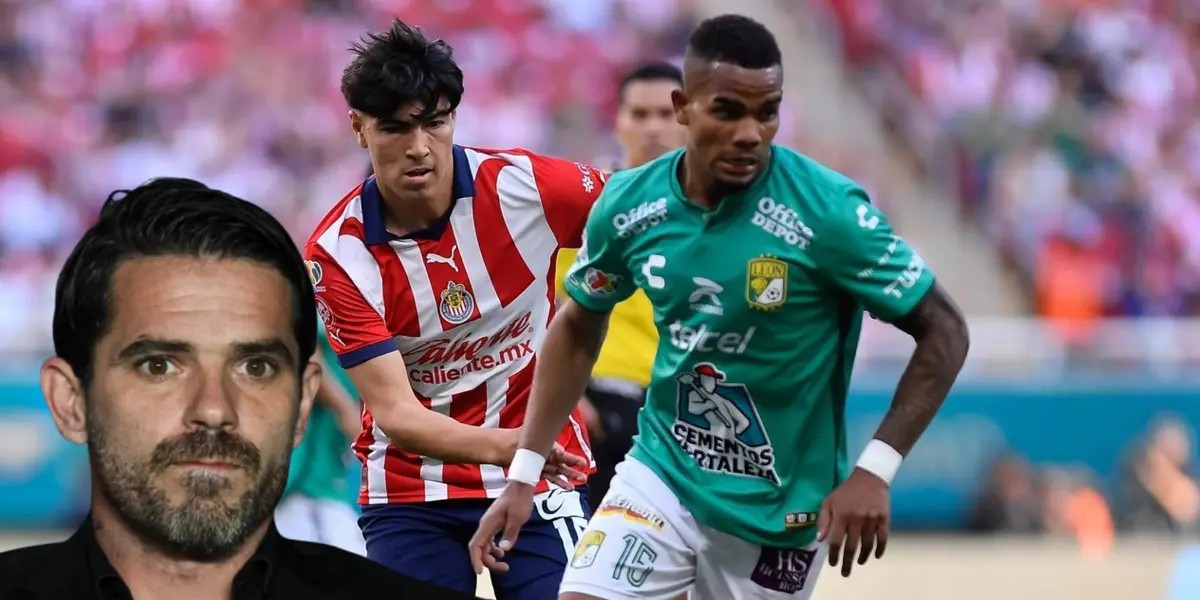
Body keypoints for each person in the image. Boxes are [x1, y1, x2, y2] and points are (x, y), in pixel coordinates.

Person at [470, 14, 971, 600]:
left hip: (779, 510)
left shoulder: (827, 211)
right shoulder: (630, 204)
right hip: (662, 472)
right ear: (685, 107)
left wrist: (876, 469)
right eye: (729, 111)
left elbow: (946, 330)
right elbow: (578, 322)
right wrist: (524, 476)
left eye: (768, 112)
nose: (751, 133)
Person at [0, 178, 473, 599]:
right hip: (305, 496)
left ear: (300, 400)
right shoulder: (333, 312)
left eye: (256, 367)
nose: (213, 408)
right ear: (70, 401)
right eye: (159, 366)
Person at [304, 20, 604, 599]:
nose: (419, 147)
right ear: (359, 129)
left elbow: (640, 217)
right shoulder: (337, 254)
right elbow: (397, 413)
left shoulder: (530, 189)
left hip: (540, 479)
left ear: (453, 119)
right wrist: (517, 444)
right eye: (395, 128)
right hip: (411, 494)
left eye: (434, 122)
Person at [554, 61, 687, 504]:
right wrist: (564, 397)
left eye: (666, 115)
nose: (653, 128)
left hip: (684, 408)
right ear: (618, 121)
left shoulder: (717, 215)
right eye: (640, 114)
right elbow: (534, 308)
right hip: (599, 406)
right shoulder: (585, 206)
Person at [274, 327, 366, 554]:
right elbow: (307, 351)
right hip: (306, 482)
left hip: (329, 477)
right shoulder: (324, 295)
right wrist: (346, 411)